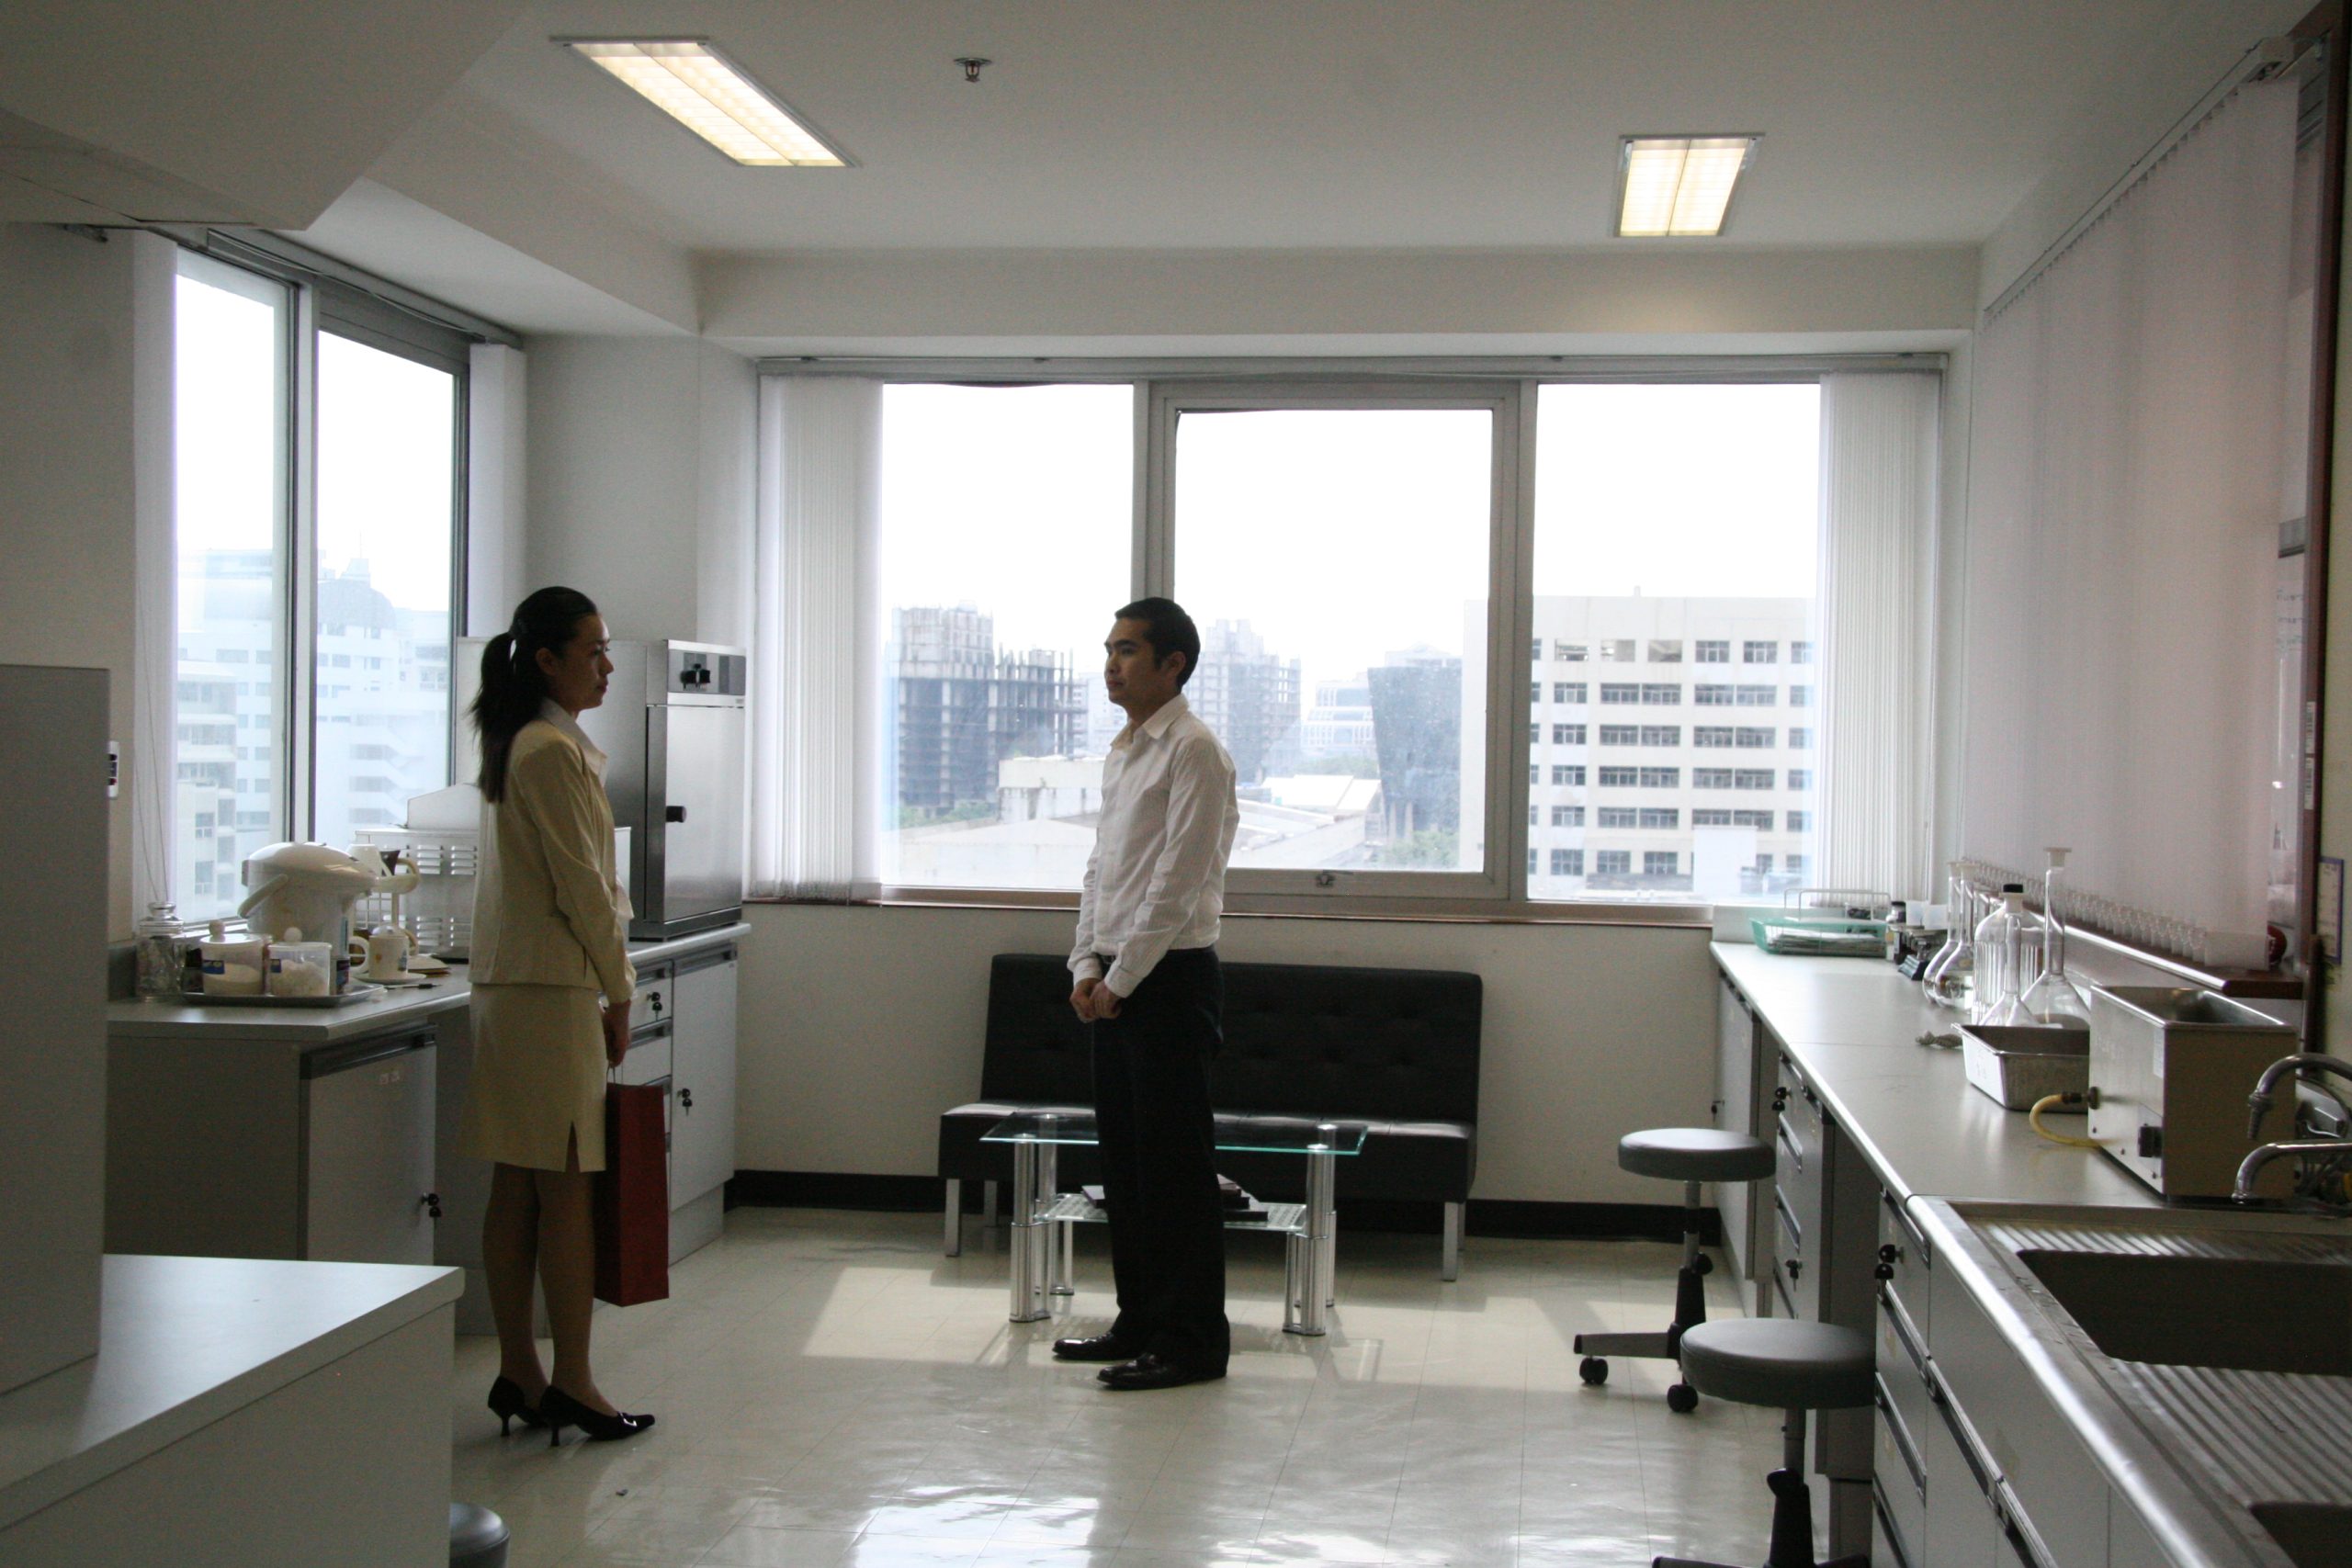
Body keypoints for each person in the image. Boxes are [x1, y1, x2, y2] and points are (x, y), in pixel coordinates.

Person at [458, 586, 654, 1446]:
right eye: (593, 650)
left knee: (519, 1180)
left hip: (517, 986)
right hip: (550, 989)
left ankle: (521, 1370)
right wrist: (621, 989)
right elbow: (585, 889)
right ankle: (572, 1379)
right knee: (567, 1186)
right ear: (546, 660)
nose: (607, 665)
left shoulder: (524, 742)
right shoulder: (548, 751)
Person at [1057, 597, 1241, 1392]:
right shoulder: (1125, 751)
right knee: (1127, 1166)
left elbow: (1177, 880)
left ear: (1174, 664)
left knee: (1174, 1170)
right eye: (1109, 648)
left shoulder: (1195, 751)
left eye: (1128, 650)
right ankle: (1140, 1320)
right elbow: (1103, 870)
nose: (1112, 663)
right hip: (1115, 975)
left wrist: (1121, 977)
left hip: (1169, 980)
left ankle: (1192, 1341)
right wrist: (1084, 965)